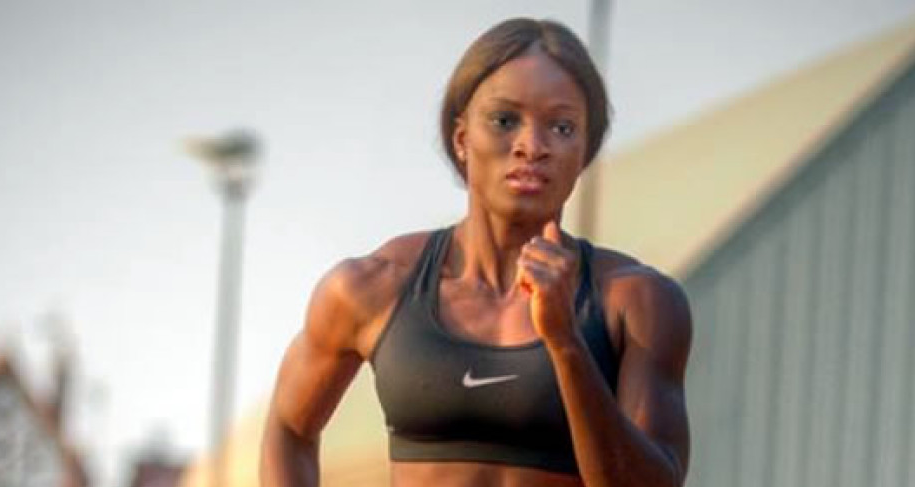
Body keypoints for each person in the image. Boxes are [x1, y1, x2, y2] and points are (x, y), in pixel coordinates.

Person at [261, 17, 692, 487]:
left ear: (584, 150)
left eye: (562, 127)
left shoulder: (637, 302)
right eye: (505, 121)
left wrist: (566, 342)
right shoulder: (374, 285)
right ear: (462, 138)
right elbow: (289, 427)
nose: (532, 147)